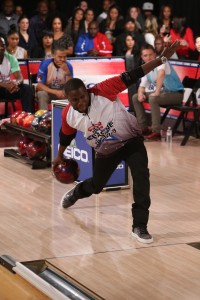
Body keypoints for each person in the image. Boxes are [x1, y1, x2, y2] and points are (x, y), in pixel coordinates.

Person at [53, 40, 180, 244]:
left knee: (141, 177)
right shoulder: (69, 115)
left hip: (131, 141)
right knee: (96, 186)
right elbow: (65, 136)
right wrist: (59, 156)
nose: (80, 102)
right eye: (74, 100)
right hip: (106, 151)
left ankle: (139, 226)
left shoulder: (103, 90)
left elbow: (134, 74)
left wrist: (161, 59)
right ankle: (76, 193)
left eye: (82, 97)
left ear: (87, 91)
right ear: (68, 99)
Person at [132, 43, 184, 141]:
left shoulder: (162, 60)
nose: (148, 57)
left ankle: (156, 132)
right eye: (145, 55)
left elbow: (161, 73)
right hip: (163, 94)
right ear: (142, 57)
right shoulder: (145, 67)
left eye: (150, 54)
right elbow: (142, 86)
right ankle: (144, 128)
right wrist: (140, 93)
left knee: (153, 98)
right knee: (135, 97)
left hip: (176, 94)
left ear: (155, 54)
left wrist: (156, 92)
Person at [35, 43, 73, 110]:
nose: (63, 59)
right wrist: (55, 92)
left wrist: (67, 73)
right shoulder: (45, 64)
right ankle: (44, 116)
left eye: (64, 57)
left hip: (62, 92)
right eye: (60, 57)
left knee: (72, 93)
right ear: (53, 56)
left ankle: (69, 117)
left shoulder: (68, 66)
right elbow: (39, 85)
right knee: (41, 94)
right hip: (49, 91)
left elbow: (70, 86)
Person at [0, 36, 33, 113]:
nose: (1, 48)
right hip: (4, 86)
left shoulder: (11, 58)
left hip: (8, 89)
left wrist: (15, 84)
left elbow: (20, 78)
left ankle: (27, 116)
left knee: (26, 89)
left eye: (2, 45)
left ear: (5, 47)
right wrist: (5, 85)